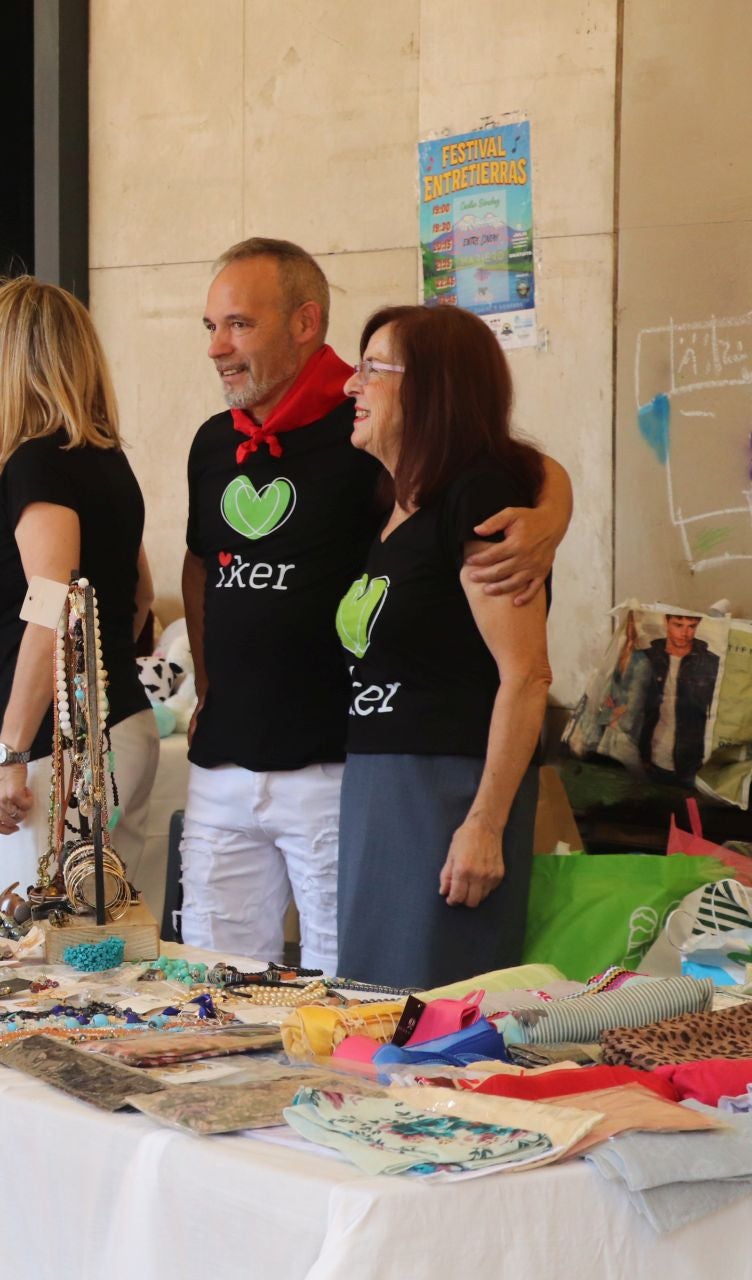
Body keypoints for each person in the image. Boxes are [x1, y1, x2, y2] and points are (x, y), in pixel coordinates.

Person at [180, 238, 572, 972]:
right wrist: (207, 685)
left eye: (237, 324)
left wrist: (553, 512)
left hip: (360, 767)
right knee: (232, 981)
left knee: (369, 990)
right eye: (210, 327)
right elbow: (200, 563)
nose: (218, 348)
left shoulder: (392, 454)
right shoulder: (233, 448)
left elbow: (511, 468)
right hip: (299, 763)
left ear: (303, 322)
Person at [333, 304, 556, 988]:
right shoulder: (398, 505)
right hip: (381, 784)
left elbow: (527, 676)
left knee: (434, 1018)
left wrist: (483, 823)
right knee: (372, 1006)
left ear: (431, 387)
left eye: (373, 367)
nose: (351, 384)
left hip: (445, 792)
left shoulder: (479, 498)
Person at [0, 277, 159, 903]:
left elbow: (53, 610)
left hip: (66, 751)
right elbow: (139, 594)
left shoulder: (38, 462)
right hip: (110, 729)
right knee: (104, 944)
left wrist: (12, 751)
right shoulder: (102, 458)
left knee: (46, 953)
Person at [617, 613, 719, 785]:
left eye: (691, 626)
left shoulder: (711, 663)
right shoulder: (646, 658)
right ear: (666, 621)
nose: (685, 633)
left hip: (692, 764)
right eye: (678, 625)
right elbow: (621, 695)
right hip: (648, 759)